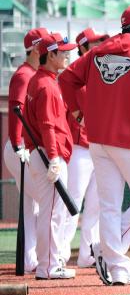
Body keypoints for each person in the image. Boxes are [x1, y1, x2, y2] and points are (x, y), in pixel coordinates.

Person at [59, 5, 130, 286]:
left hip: (97, 140)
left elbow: (66, 78)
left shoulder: (98, 52)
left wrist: (77, 112)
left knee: (109, 206)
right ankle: (107, 251)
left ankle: (118, 267)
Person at [25, 33, 78, 280]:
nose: (68, 54)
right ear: (51, 54)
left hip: (45, 152)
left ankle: (50, 263)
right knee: (52, 213)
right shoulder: (45, 84)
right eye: (63, 51)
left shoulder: (43, 80)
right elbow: (47, 125)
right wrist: (55, 159)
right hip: (48, 154)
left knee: (53, 211)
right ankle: (47, 266)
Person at [3, 27, 49, 275]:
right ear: (34, 49)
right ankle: (47, 259)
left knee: (31, 206)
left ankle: (30, 260)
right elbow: (15, 111)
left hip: (23, 147)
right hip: (19, 147)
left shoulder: (33, 73)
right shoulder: (24, 74)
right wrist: (19, 145)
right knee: (48, 200)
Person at [62, 28, 108, 268]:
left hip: (98, 146)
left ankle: (87, 256)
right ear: (82, 47)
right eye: (96, 42)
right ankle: (59, 255)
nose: (101, 44)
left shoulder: (100, 71)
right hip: (79, 147)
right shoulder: (76, 73)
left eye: (102, 41)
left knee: (95, 205)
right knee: (73, 202)